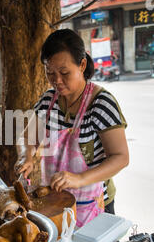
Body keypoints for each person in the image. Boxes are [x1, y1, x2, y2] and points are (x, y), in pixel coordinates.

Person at [14, 29, 129, 227]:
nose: (56, 80)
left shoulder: (101, 104)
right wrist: (26, 156)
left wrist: (80, 179)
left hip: (94, 205)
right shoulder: (47, 101)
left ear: (82, 65)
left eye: (64, 73)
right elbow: (27, 138)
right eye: (50, 72)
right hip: (54, 202)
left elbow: (121, 157)